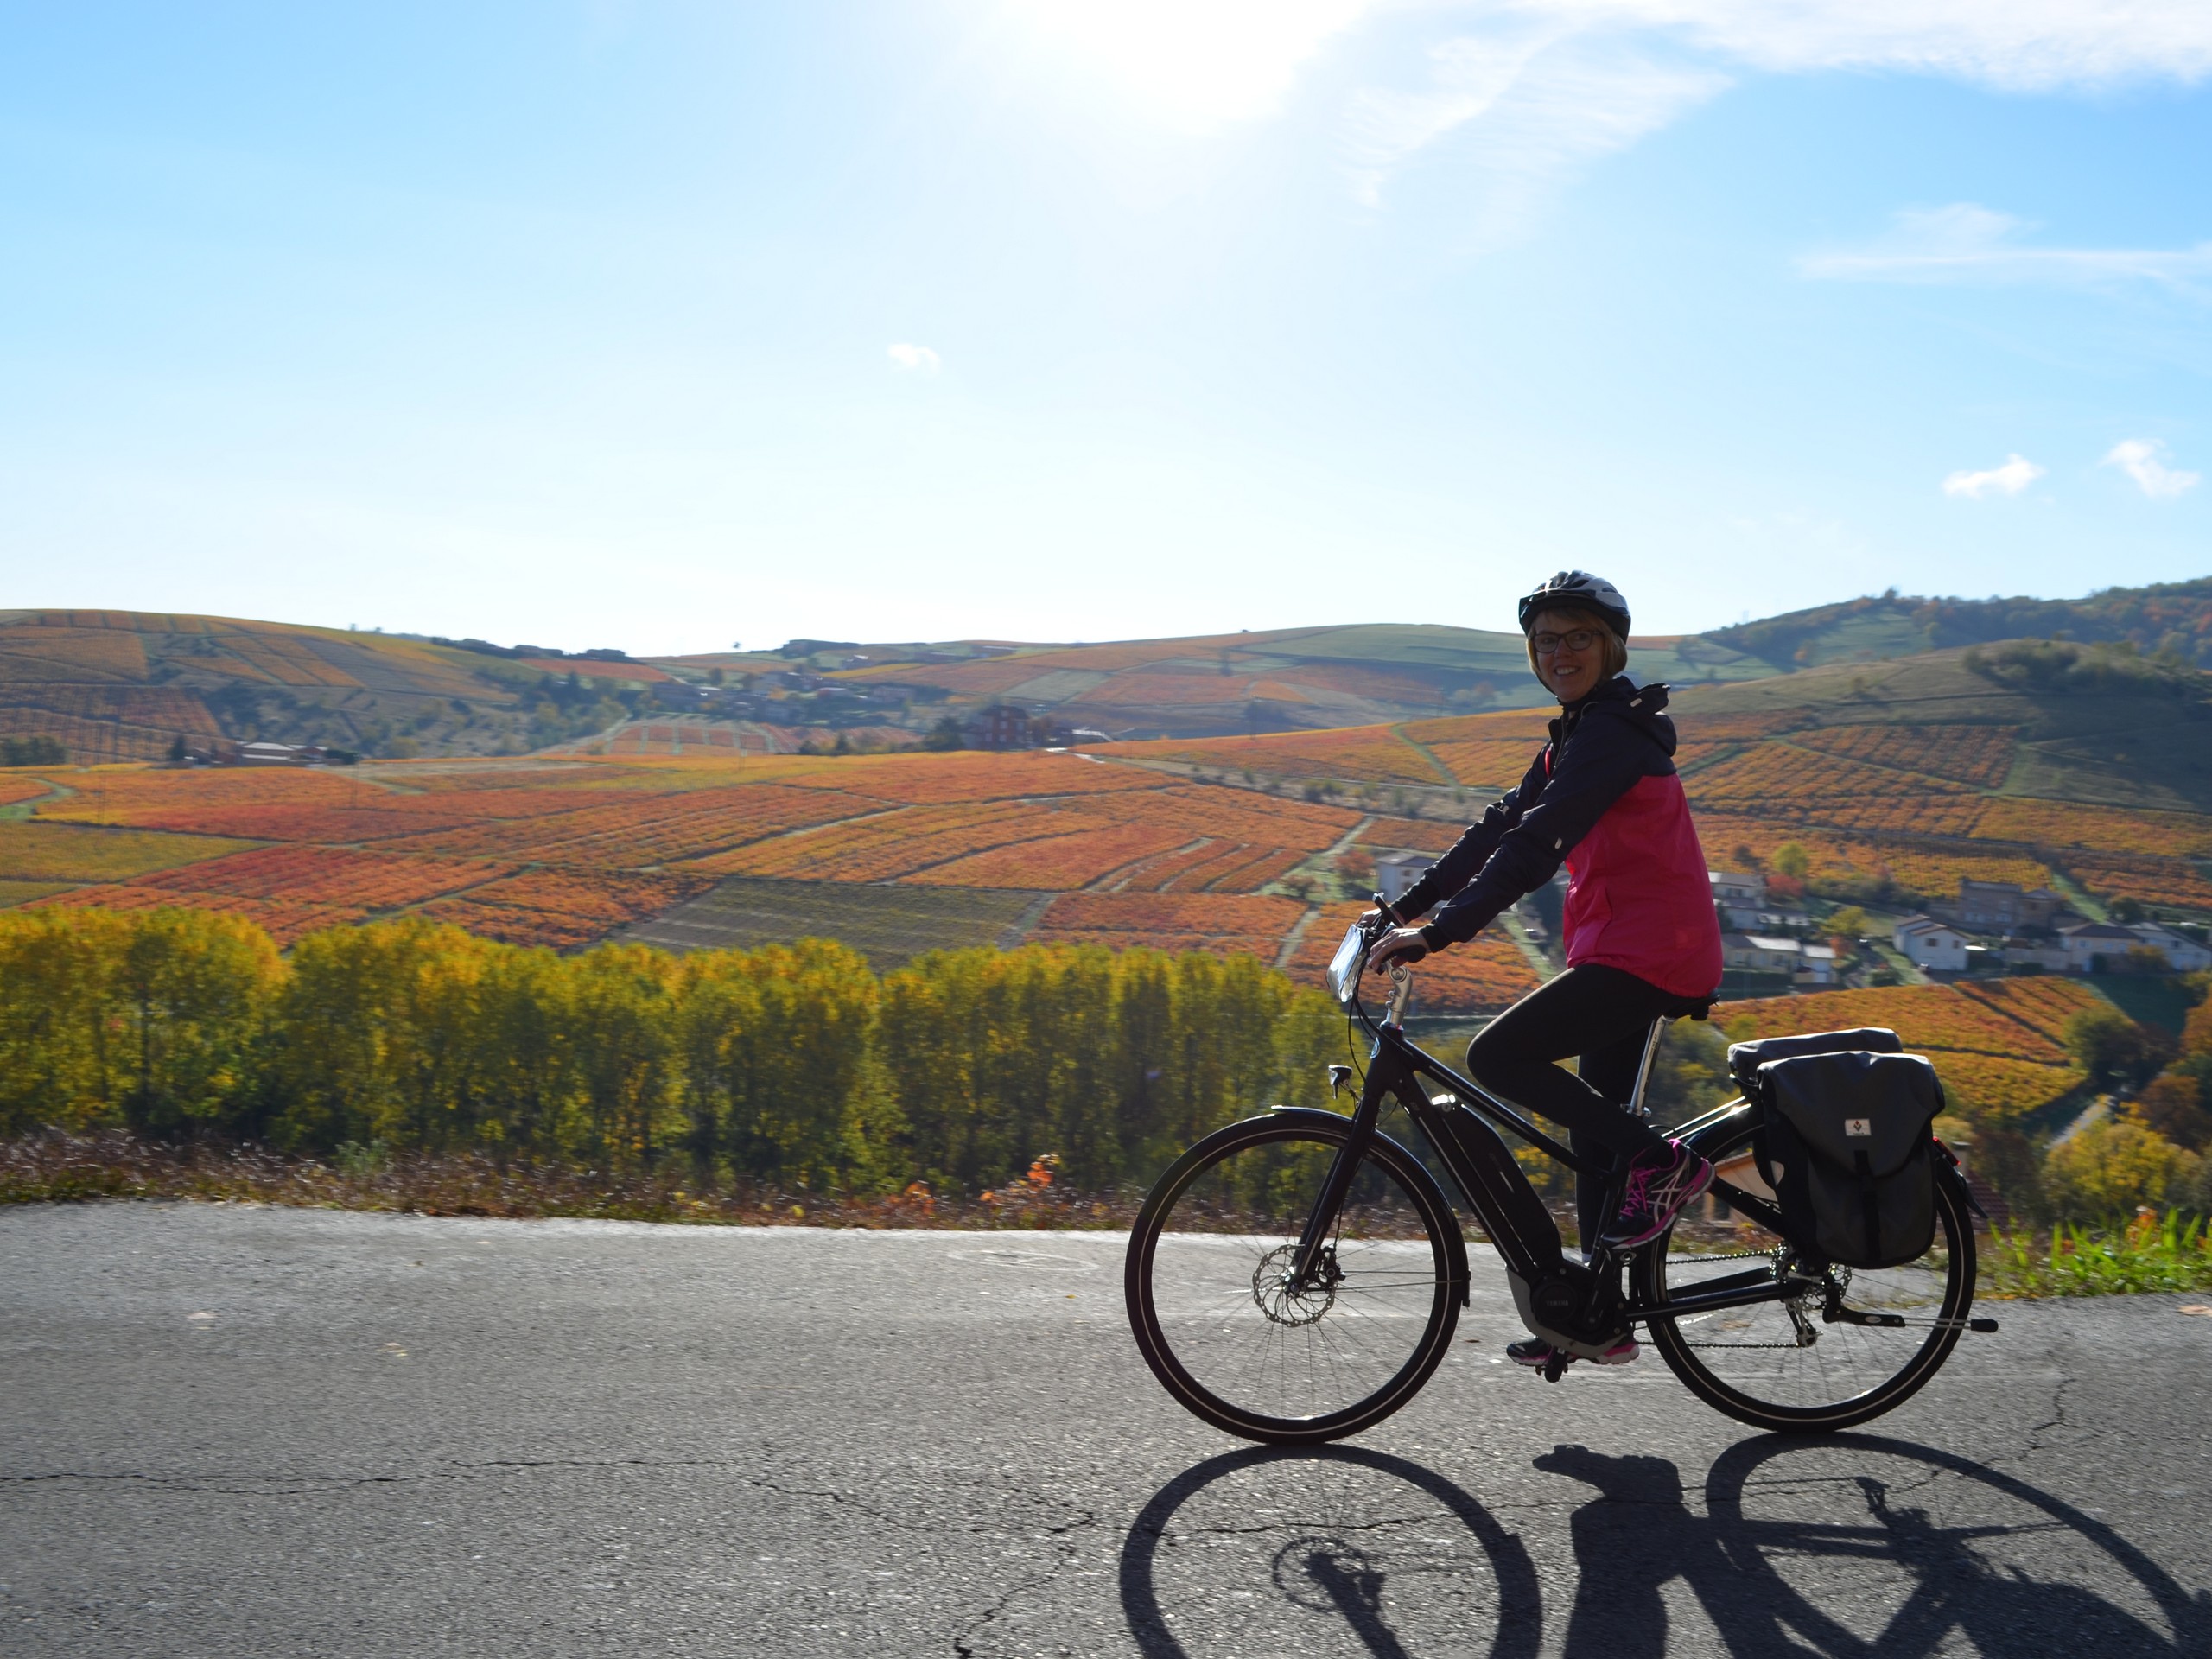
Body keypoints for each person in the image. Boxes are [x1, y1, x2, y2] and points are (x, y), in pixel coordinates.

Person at [1365, 571, 1725, 1368]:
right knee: (1595, 1135)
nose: (1560, 653)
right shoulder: (1579, 732)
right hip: (1623, 947)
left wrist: (1442, 933)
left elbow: (1535, 847)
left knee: (1498, 1057)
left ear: (1612, 647)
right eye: (1546, 641)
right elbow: (1500, 825)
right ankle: (1598, 1319)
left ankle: (1668, 1165)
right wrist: (1405, 907)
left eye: (1579, 638)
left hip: (1651, 952)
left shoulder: (1612, 736)